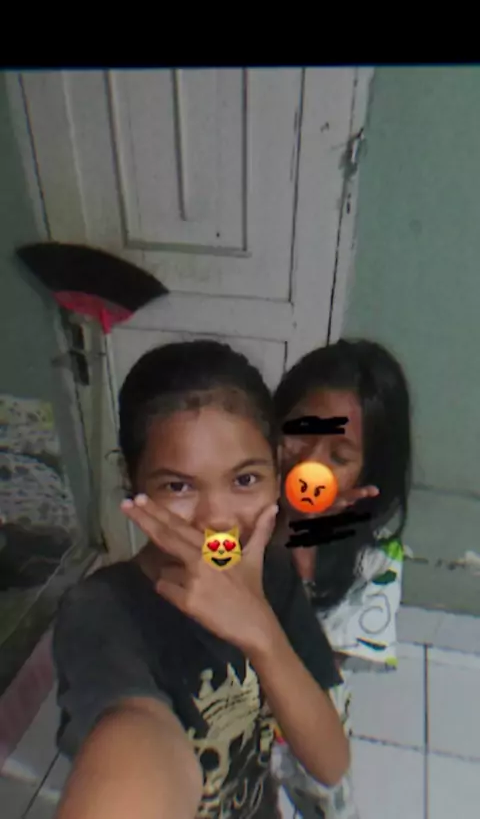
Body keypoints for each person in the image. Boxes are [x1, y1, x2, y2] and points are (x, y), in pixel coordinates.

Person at [52, 339, 350, 819]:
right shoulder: (102, 611)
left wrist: (261, 632)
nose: (218, 522)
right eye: (178, 485)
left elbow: (330, 762)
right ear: (130, 478)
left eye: (245, 480)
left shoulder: (273, 573)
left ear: (277, 467)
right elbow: (133, 740)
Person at [272, 338, 412, 819]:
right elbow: (214, 576)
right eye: (300, 431)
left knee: (327, 801)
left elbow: (312, 663)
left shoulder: (376, 563)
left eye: (339, 455)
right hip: (228, 705)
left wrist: (302, 542)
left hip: (306, 720)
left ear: (366, 476)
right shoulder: (234, 508)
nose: (308, 462)